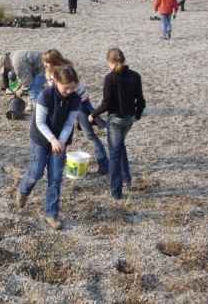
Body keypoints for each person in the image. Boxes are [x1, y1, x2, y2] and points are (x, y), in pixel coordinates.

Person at [17, 66, 81, 230]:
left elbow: (69, 123)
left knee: (56, 177)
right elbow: (40, 122)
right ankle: (24, 189)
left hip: (60, 140)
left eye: (73, 87)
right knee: (37, 171)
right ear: (56, 81)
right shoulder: (45, 95)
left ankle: (51, 214)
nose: (69, 91)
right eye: (66, 87)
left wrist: (60, 141)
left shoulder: (75, 98)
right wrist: (52, 139)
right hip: (40, 138)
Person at [89, 48, 146, 200]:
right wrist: (137, 115)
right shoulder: (135, 76)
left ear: (111, 62)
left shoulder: (110, 78)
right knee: (120, 146)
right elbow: (141, 100)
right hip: (129, 120)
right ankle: (127, 179)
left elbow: (106, 103)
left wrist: (93, 115)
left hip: (115, 121)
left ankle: (116, 192)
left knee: (114, 154)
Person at [42, 49, 109, 175]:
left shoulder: (65, 72)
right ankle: (57, 163)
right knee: (61, 133)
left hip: (80, 104)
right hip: (68, 104)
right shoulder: (50, 73)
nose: (45, 64)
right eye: (44, 62)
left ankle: (104, 163)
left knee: (89, 135)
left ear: (54, 61)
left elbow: (72, 91)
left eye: (47, 62)